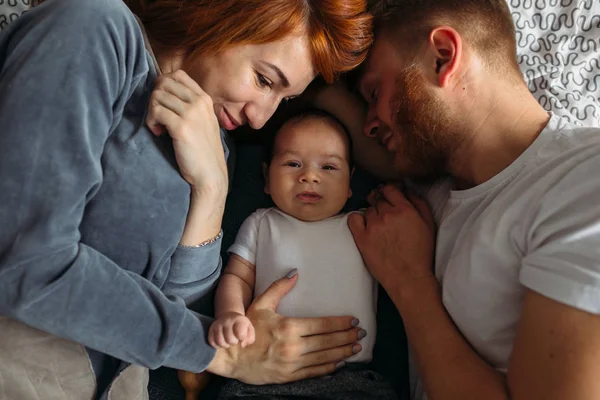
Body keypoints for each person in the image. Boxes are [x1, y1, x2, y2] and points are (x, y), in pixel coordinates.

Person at [0, 0, 373, 398]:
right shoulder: (96, 27)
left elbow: (174, 314)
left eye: (283, 100)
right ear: (220, 13)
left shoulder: (214, 142)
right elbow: (28, 261)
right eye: (264, 80)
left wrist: (212, 189)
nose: (261, 118)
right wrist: (226, 357)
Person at [326, 0, 600, 399]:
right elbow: (359, 136)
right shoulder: (439, 182)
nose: (369, 123)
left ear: (442, 57)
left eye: (374, 92)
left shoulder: (582, 182)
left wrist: (410, 284)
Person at [200, 110, 397, 399]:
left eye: (328, 167)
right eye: (293, 164)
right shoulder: (262, 223)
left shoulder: (362, 225)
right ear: (267, 178)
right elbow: (237, 276)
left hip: (351, 379)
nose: (309, 176)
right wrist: (230, 314)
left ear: (349, 184)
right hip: (262, 375)